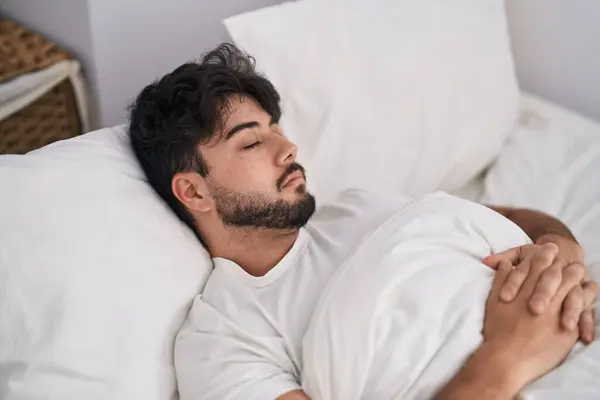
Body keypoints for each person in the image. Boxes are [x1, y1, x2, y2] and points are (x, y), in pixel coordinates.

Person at [129, 43, 598, 399]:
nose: (287, 148)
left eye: (276, 129)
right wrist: (510, 357)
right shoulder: (222, 337)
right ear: (193, 191)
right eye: (252, 143)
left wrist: (561, 255)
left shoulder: (359, 206)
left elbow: (516, 218)